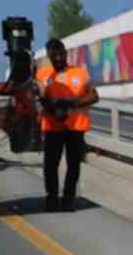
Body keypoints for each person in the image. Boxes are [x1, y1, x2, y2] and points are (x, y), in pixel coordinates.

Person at [35, 37, 99, 211]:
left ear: (65, 53)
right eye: (53, 56)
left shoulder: (80, 73)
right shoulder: (43, 74)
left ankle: (68, 199)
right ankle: (52, 199)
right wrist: (53, 109)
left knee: (73, 165)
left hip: (75, 128)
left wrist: (71, 103)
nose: (57, 59)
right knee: (50, 166)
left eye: (60, 55)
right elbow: (39, 98)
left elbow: (94, 96)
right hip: (52, 127)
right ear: (49, 56)